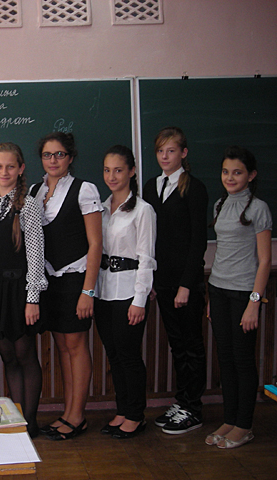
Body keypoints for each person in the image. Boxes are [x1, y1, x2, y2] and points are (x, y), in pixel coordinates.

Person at [31, 132, 102, 440]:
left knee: (76, 346)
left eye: (59, 154)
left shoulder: (84, 189)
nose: (53, 160)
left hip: (76, 278)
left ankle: (77, 416)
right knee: (62, 347)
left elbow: (96, 243)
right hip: (49, 281)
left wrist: (88, 291)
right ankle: (68, 411)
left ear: (70, 158)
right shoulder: (34, 191)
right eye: (48, 155)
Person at [0, 142, 47, 438]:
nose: (4, 172)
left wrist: (32, 298)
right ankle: (17, 420)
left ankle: (31, 421)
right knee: (8, 357)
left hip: (20, 291)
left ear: (21, 169)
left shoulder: (28, 204)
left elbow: (36, 254)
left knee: (24, 354)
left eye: (10, 166)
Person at [142, 127, 208, 434]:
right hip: (163, 280)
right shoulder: (151, 187)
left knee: (192, 345)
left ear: (183, 153)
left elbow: (198, 241)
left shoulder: (194, 188)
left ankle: (193, 408)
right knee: (177, 346)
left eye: (171, 151)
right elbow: (149, 236)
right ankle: (182, 402)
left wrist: (186, 284)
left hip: (186, 284)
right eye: (160, 151)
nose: (165, 156)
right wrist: (151, 279)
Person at [206, 146, 271, 449]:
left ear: (251, 175)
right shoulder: (220, 204)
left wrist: (254, 302)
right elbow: (221, 252)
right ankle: (230, 419)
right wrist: (211, 296)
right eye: (225, 172)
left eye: (237, 172)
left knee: (243, 360)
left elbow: (265, 260)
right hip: (218, 290)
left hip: (244, 293)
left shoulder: (258, 208)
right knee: (226, 358)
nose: (230, 177)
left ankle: (244, 425)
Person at [95, 145, 156, 439]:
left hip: (129, 292)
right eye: (107, 170)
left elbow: (146, 258)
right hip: (103, 291)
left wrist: (140, 299)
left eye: (118, 170)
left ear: (131, 171)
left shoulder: (143, 211)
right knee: (114, 355)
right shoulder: (101, 208)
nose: (112, 176)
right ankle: (122, 409)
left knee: (129, 355)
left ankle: (135, 415)